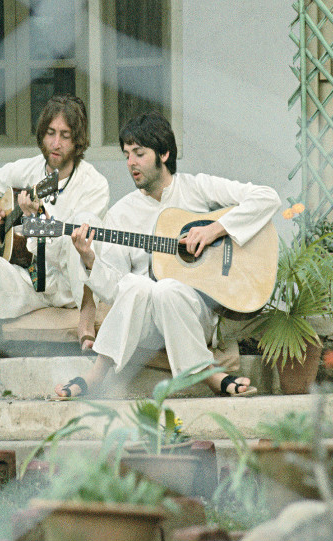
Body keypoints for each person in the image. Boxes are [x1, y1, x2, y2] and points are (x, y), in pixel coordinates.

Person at [55, 111, 281, 399]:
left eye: (139, 154)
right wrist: (89, 259)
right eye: (126, 155)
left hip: (192, 314)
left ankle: (200, 373)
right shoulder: (121, 214)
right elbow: (114, 291)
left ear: (164, 153)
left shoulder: (197, 188)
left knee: (168, 289)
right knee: (138, 285)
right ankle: (100, 374)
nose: (131, 163)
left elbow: (267, 197)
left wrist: (214, 230)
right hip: (144, 323)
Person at [0, 94, 109, 394]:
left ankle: (87, 318)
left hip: (68, 285)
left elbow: (70, 248)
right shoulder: (30, 169)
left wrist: (39, 217)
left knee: (83, 223)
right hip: (30, 280)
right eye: (50, 133)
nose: (55, 143)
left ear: (78, 140)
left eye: (65, 135)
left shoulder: (94, 184)